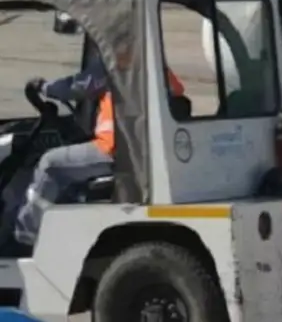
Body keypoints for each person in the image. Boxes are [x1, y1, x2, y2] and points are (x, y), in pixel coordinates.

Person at [11, 64, 187, 248]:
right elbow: (178, 92)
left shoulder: (114, 66)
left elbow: (75, 87)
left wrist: (44, 87)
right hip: (138, 150)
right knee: (65, 169)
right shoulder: (156, 67)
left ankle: (25, 234)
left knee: (49, 164)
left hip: (112, 149)